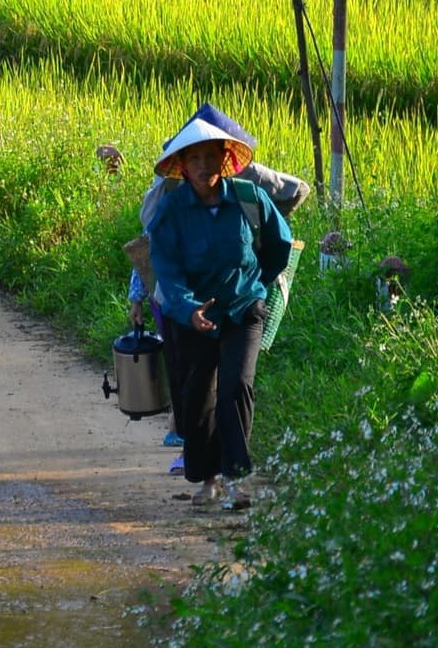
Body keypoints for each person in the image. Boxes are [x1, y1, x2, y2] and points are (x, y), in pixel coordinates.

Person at [128, 106, 309, 459]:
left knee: (236, 386)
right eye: (193, 157)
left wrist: (256, 284)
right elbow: (161, 260)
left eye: (210, 156)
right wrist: (185, 306)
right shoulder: (168, 205)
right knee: (195, 392)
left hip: (242, 308)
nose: (203, 165)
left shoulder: (250, 192)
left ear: (225, 156)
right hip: (186, 311)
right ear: (181, 162)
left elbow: (281, 239)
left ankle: (235, 476)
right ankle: (204, 470)